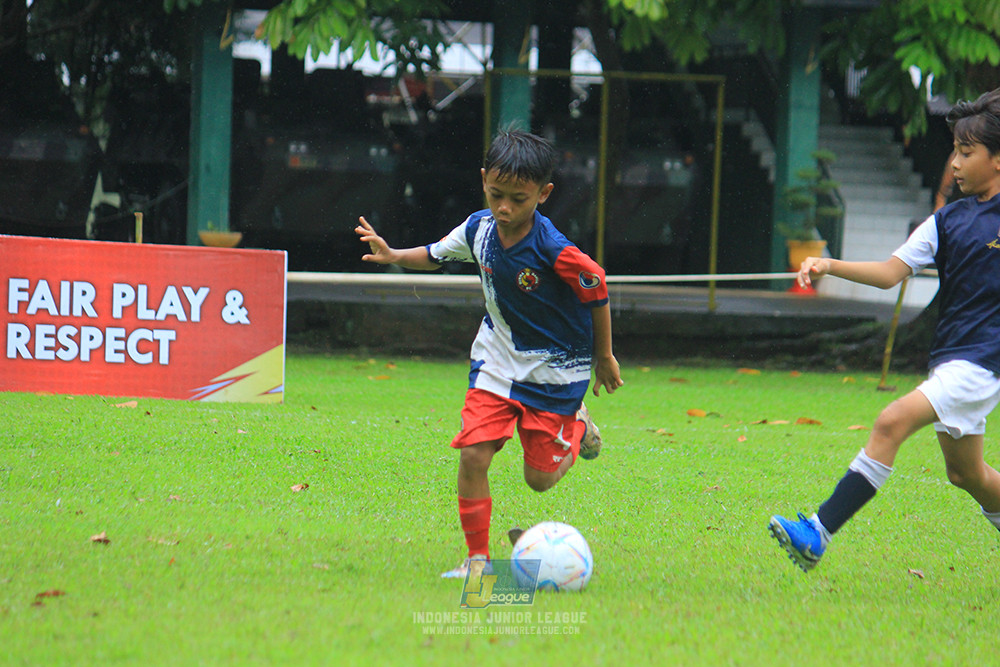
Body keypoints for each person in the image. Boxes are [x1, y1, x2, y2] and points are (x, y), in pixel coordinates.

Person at [355, 129, 625, 578]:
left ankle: (578, 425)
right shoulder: (478, 229)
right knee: (473, 455)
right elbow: (435, 255)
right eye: (496, 194)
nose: (504, 208)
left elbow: (596, 286)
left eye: (518, 199)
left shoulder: (553, 249)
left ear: (543, 194)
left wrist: (604, 357)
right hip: (496, 362)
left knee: (539, 480)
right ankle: (478, 561)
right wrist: (393, 254)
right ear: (483, 180)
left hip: (555, 372)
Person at [769, 87, 1000, 572]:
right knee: (967, 475)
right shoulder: (946, 221)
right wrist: (828, 264)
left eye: (966, 153)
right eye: (954, 152)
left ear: (997, 159)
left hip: (982, 363)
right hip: (950, 358)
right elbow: (890, 272)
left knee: (891, 421)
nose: (954, 164)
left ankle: (817, 532)